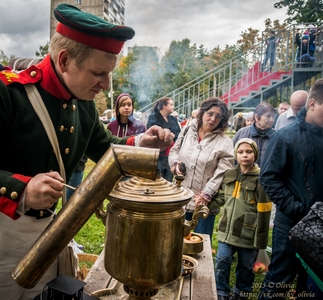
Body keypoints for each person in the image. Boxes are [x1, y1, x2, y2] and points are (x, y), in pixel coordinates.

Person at [0, 4, 174, 299]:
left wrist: (141, 142)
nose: (106, 85)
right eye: (98, 73)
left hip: (51, 232)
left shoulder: (82, 103)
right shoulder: (8, 93)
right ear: (65, 60)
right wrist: (22, 188)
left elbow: (106, 148)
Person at [257, 78, 323, 300]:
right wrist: (296, 208)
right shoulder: (285, 136)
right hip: (292, 224)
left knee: (312, 285)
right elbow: (269, 177)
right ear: (312, 104)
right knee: (279, 283)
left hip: (321, 227)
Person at [209, 138, 272, 300]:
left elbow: (264, 211)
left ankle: (241, 292)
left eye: (249, 152)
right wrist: (205, 205)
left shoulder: (260, 179)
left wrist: (261, 242)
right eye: (241, 152)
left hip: (248, 233)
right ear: (235, 155)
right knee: (222, 262)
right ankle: (221, 291)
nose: (245, 155)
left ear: (255, 154)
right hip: (226, 230)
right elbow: (222, 196)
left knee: (246, 266)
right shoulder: (230, 174)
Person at [169, 97, 234, 240]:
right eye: (210, 113)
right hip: (179, 199)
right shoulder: (187, 130)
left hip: (202, 205)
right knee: (174, 243)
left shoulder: (225, 142)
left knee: (199, 245)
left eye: (218, 116)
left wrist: (206, 194)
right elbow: (174, 150)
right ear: (202, 113)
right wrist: (175, 165)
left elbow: (222, 173)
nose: (213, 119)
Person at [147, 97, 181, 182]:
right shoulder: (153, 117)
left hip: (170, 155)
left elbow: (179, 133)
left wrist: (172, 135)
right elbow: (152, 132)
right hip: (158, 155)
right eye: (171, 104)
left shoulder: (173, 119)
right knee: (157, 180)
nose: (173, 107)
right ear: (164, 106)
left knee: (168, 181)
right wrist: (167, 134)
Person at [232, 102, 276, 168]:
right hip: (245, 177)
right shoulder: (242, 133)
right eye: (268, 116)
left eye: (273, 116)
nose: (272, 120)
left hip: (268, 177)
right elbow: (231, 157)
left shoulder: (277, 136)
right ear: (256, 117)